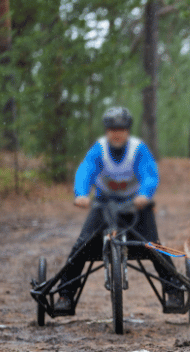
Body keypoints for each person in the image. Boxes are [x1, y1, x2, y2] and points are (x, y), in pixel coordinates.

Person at [55, 106, 183, 311]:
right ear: (107, 130)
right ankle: (65, 297)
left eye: (122, 129)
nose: (117, 133)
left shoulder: (137, 149)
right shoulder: (99, 149)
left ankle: (174, 292)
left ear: (127, 130)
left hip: (135, 206)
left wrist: (144, 195)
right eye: (113, 129)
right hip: (103, 204)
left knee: (153, 245)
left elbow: (149, 174)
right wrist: (81, 194)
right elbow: (85, 171)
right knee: (82, 245)